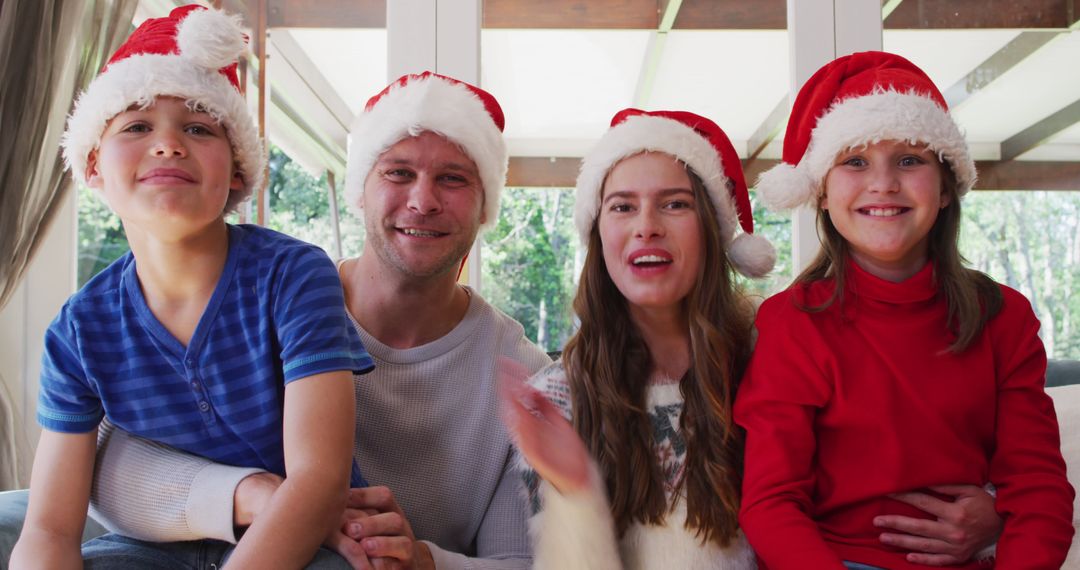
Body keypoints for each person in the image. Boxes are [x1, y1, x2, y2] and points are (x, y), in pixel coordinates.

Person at [66, 71, 551, 570]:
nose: (423, 201)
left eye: (453, 178)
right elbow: (101, 464)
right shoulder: (272, 295)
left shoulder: (525, 377)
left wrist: (425, 560)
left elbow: (517, 561)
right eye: (398, 173)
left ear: (486, 204)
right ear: (359, 191)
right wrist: (257, 495)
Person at [10, 5, 373, 569]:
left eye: (199, 127)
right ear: (94, 166)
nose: (168, 144)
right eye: (135, 126)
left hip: (299, 541)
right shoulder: (78, 330)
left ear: (236, 170)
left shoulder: (294, 275)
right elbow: (51, 528)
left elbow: (318, 478)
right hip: (150, 545)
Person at [736, 51, 1075, 569]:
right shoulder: (791, 323)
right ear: (822, 193)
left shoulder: (1003, 316)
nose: (884, 184)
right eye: (854, 162)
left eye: (910, 160)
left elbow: (1039, 490)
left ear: (945, 190)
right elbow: (771, 502)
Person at [501, 108, 775, 569]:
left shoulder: (770, 362)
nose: (646, 226)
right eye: (622, 206)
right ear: (598, 232)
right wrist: (575, 493)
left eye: (675, 203)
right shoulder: (558, 398)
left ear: (711, 229)